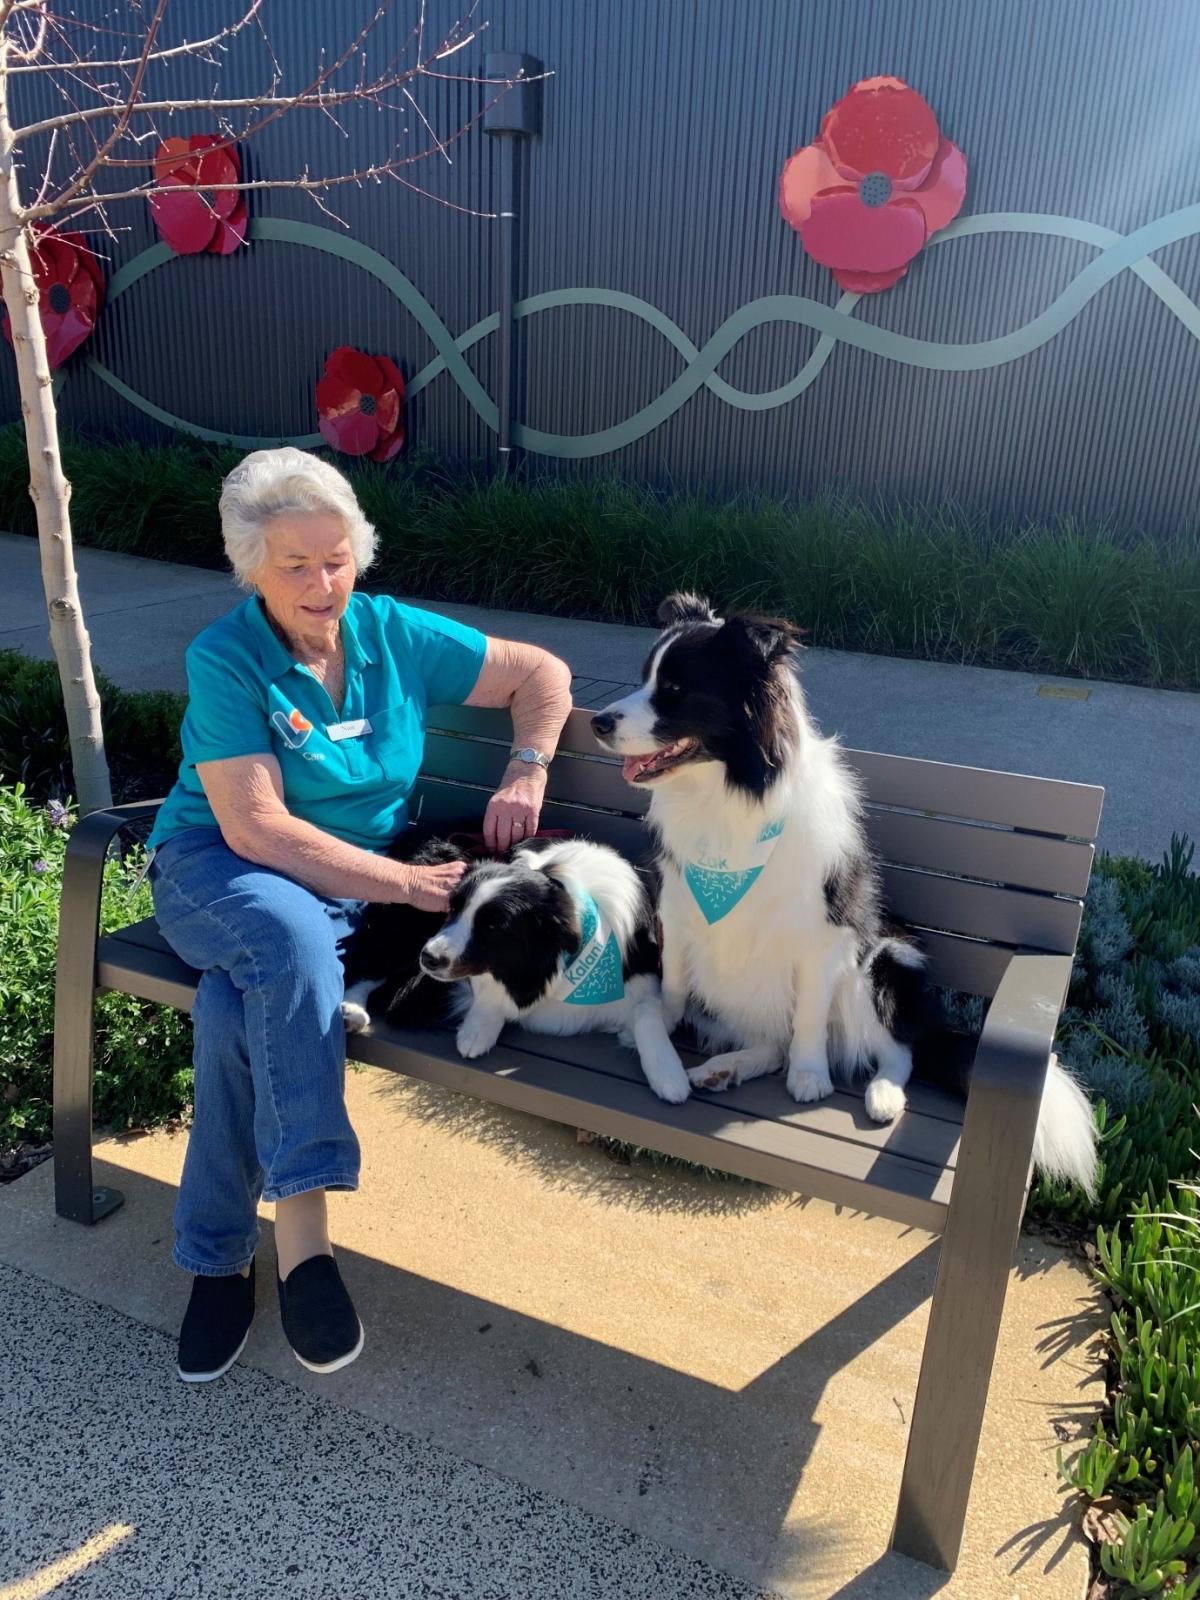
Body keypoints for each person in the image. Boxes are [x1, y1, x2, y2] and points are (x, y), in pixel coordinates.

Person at [146, 446, 573, 1383]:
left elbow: (540, 673)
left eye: (335, 558)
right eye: (295, 564)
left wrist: (527, 763)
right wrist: (410, 887)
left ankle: (215, 1262)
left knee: (237, 1007)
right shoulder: (228, 657)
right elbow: (257, 830)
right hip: (213, 868)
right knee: (286, 938)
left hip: (341, 893)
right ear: (252, 567)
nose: (321, 582)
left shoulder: (393, 635)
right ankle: (306, 1246)